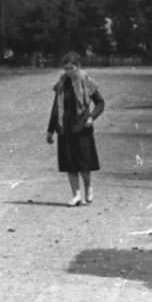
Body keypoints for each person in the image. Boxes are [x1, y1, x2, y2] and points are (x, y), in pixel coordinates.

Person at [46, 51, 105, 206]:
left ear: (78, 67)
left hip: (82, 126)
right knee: (69, 163)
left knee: (84, 163)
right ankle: (76, 195)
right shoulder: (61, 83)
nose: (68, 72)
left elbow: (100, 103)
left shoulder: (87, 81)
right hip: (65, 128)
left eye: (71, 68)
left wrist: (92, 117)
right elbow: (56, 108)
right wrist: (50, 130)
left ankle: (88, 187)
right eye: (65, 68)